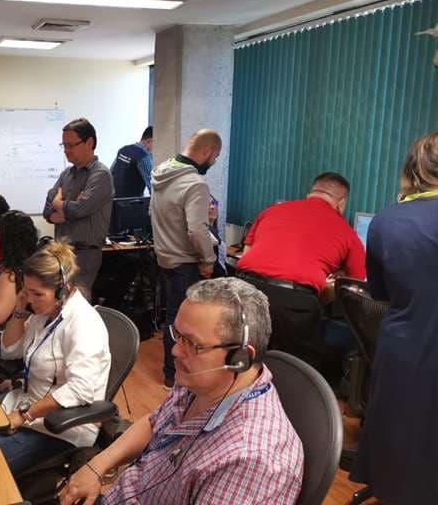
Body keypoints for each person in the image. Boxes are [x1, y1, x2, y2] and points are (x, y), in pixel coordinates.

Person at [59, 278, 304, 505]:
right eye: (177, 335)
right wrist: (96, 466)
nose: (175, 351)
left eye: (192, 343)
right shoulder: (202, 379)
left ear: (239, 359)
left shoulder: (251, 461)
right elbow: (155, 422)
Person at [350, 132, 438, 504]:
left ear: (411, 170)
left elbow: (380, 292)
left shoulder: (386, 221)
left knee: (402, 440)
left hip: (403, 352)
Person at [0, 240, 111, 474]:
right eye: (27, 292)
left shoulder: (84, 324)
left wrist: (24, 414)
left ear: (62, 291)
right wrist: (19, 308)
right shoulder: (44, 313)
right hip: (26, 405)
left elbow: (80, 389)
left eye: (37, 294)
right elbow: (10, 350)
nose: (31, 300)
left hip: (62, 425)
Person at [235, 172, 365, 377]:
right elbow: (353, 286)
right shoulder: (347, 232)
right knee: (300, 368)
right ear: (341, 203)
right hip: (294, 302)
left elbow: (247, 253)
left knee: (243, 356)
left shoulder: (271, 211)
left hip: (244, 290)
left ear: (310, 193)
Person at [151, 129, 221, 389]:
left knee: (173, 318)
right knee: (185, 323)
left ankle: (172, 374)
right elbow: (196, 231)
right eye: (215, 157)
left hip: (164, 259)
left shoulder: (161, 173)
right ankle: (176, 376)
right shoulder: (195, 183)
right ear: (207, 151)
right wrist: (208, 260)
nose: (213, 162)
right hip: (187, 263)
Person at [43, 118, 113, 299]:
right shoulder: (66, 174)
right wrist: (64, 210)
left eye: (71, 145)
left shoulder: (100, 174)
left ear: (89, 143)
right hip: (61, 252)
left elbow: (79, 209)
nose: (66, 150)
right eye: (64, 145)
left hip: (84, 254)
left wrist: (59, 204)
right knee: (59, 302)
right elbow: (47, 210)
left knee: (76, 303)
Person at [111, 126, 154, 197]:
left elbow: (111, 172)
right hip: (132, 202)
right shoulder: (143, 157)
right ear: (149, 140)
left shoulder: (123, 150)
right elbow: (152, 186)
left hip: (115, 200)